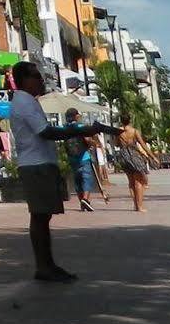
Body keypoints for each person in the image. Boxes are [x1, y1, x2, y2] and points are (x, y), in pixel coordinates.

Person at [10, 62, 115, 282]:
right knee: (40, 216)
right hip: (36, 165)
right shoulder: (24, 102)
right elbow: (46, 132)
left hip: (40, 163)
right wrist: (81, 130)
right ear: (25, 79)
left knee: (43, 216)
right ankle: (44, 266)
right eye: (36, 76)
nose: (40, 80)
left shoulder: (28, 102)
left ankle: (47, 264)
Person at [115, 117, 153, 212]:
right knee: (138, 182)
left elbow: (116, 144)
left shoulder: (118, 131)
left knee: (131, 182)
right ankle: (140, 206)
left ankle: (136, 205)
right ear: (130, 121)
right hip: (134, 155)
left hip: (124, 156)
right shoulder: (134, 131)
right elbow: (143, 145)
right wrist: (152, 156)